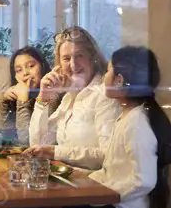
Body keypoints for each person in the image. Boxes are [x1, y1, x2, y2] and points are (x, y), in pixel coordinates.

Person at [86, 46, 171, 208]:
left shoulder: (137, 122)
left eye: (108, 71)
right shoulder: (128, 116)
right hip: (121, 207)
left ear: (119, 81)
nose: (105, 77)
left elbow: (143, 181)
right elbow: (115, 170)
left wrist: (104, 196)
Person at [22, 26, 119, 169]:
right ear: (59, 64)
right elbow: (37, 143)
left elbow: (108, 156)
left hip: (94, 185)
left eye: (79, 56)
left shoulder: (104, 94)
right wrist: (43, 98)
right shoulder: (69, 97)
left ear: (92, 58)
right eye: (66, 58)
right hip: (69, 182)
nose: (73, 64)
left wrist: (56, 152)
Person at [2, 46, 52, 144]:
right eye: (19, 70)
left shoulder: (52, 95)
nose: (25, 73)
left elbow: (26, 141)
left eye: (31, 66)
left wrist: (22, 101)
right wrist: (6, 103)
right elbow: (7, 139)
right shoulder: (20, 92)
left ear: (42, 66)